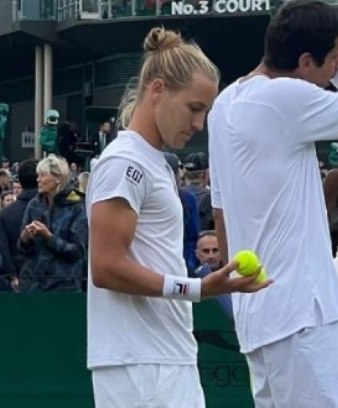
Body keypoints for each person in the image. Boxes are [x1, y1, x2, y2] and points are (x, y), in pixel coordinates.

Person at [207, 1, 338, 406]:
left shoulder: (223, 106)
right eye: (335, 57)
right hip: (305, 317)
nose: (337, 67)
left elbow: (220, 212)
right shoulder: (286, 96)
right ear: (306, 61)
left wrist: (242, 299)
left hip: (260, 320)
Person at [87, 27, 269, 408]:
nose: (200, 124)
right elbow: (105, 267)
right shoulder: (125, 162)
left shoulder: (150, 162)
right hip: (141, 363)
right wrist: (198, 289)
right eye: (194, 108)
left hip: (160, 357)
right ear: (157, 91)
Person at [19, 155, 87, 293]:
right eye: (38, 175)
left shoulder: (77, 206)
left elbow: (77, 251)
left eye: (43, 175)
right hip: (33, 284)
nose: (38, 180)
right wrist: (25, 238)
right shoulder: (34, 204)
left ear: (58, 178)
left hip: (64, 285)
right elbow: (21, 249)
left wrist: (48, 237)